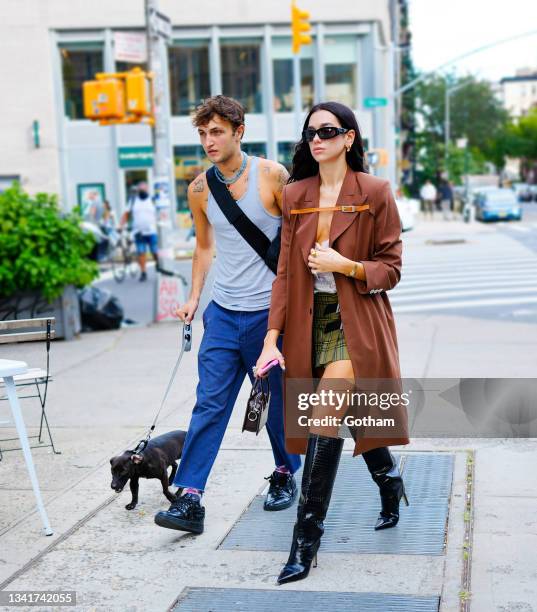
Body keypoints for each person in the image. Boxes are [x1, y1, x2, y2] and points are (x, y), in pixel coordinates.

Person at [255, 101, 410, 585]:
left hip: (355, 320)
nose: (316, 139)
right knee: (346, 416)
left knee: (324, 418)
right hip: (307, 321)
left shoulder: (375, 192)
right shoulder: (296, 194)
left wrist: (348, 267)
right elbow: (284, 274)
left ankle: (305, 542)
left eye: (328, 130)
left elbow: (393, 266)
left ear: (349, 138)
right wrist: (271, 339)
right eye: (310, 133)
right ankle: (389, 481)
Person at [154, 95, 301, 535]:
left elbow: (296, 238)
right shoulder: (199, 188)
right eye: (202, 133)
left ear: (239, 131)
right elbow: (204, 246)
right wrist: (194, 296)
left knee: (275, 400)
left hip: (269, 316)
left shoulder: (272, 175)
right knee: (210, 404)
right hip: (222, 314)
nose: (208, 140)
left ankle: (285, 472)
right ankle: (190, 498)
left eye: (216, 131)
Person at [121, 182, 159, 282]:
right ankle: (143, 272)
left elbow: (159, 213)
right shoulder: (133, 201)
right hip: (138, 231)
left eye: (144, 189)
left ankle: (158, 265)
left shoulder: (152, 200)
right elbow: (126, 214)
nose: (142, 191)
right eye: (140, 189)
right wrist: (121, 225)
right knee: (141, 252)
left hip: (151, 231)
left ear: (147, 189)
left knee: (154, 251)